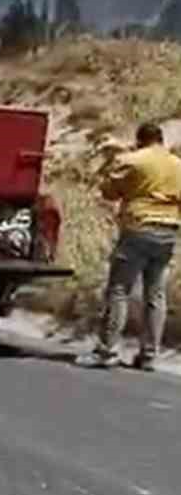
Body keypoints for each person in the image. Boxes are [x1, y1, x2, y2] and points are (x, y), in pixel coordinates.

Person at [77, 121, 181, 371]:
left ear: (140, 139)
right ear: (161, 140)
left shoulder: (132, 160)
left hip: (138, 227)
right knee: (155, 294)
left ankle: (107, 350)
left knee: (119, 289)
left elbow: (109, 192)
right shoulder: (177, 165)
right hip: (168, 230)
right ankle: (149, 355)